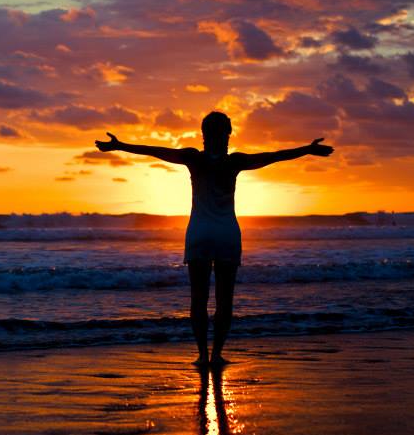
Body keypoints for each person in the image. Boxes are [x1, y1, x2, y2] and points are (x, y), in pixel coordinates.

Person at [95, 111, 334, 367]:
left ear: (203, 134)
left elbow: (155, 151)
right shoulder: (234, 162)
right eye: (227, 132)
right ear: (226, 134)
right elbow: (272, 157)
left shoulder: (192, 158)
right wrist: (307, 150)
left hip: (199, 234)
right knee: (224, 299)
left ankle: (201, 355)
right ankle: (217, 354)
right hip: (227, 235)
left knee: (198, 299)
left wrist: (120, 146)